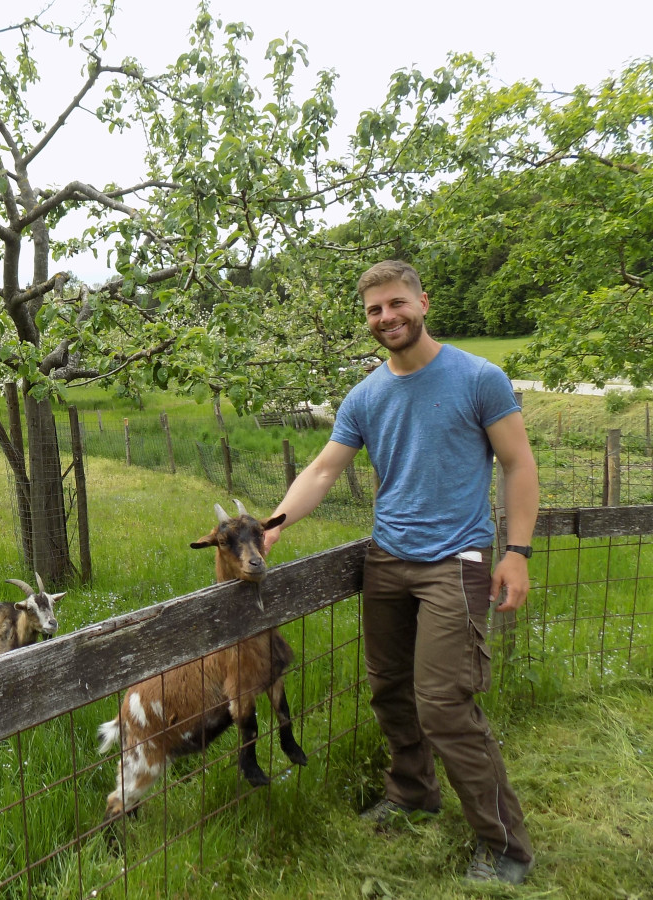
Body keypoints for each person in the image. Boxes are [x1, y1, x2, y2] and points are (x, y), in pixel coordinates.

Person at [263, 260, 538, 885]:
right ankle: (413, 791)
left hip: (456, 560)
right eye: (373, 310)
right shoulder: (365, 396)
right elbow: (325, 470)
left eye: (395, 304)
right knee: (389, 689)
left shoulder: (478, 378)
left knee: (444, 704)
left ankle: (505, 848)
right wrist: (276, 522)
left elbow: (519, 464)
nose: (386, 318)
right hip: (386, 558)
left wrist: (517, 551)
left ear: (423, 303)